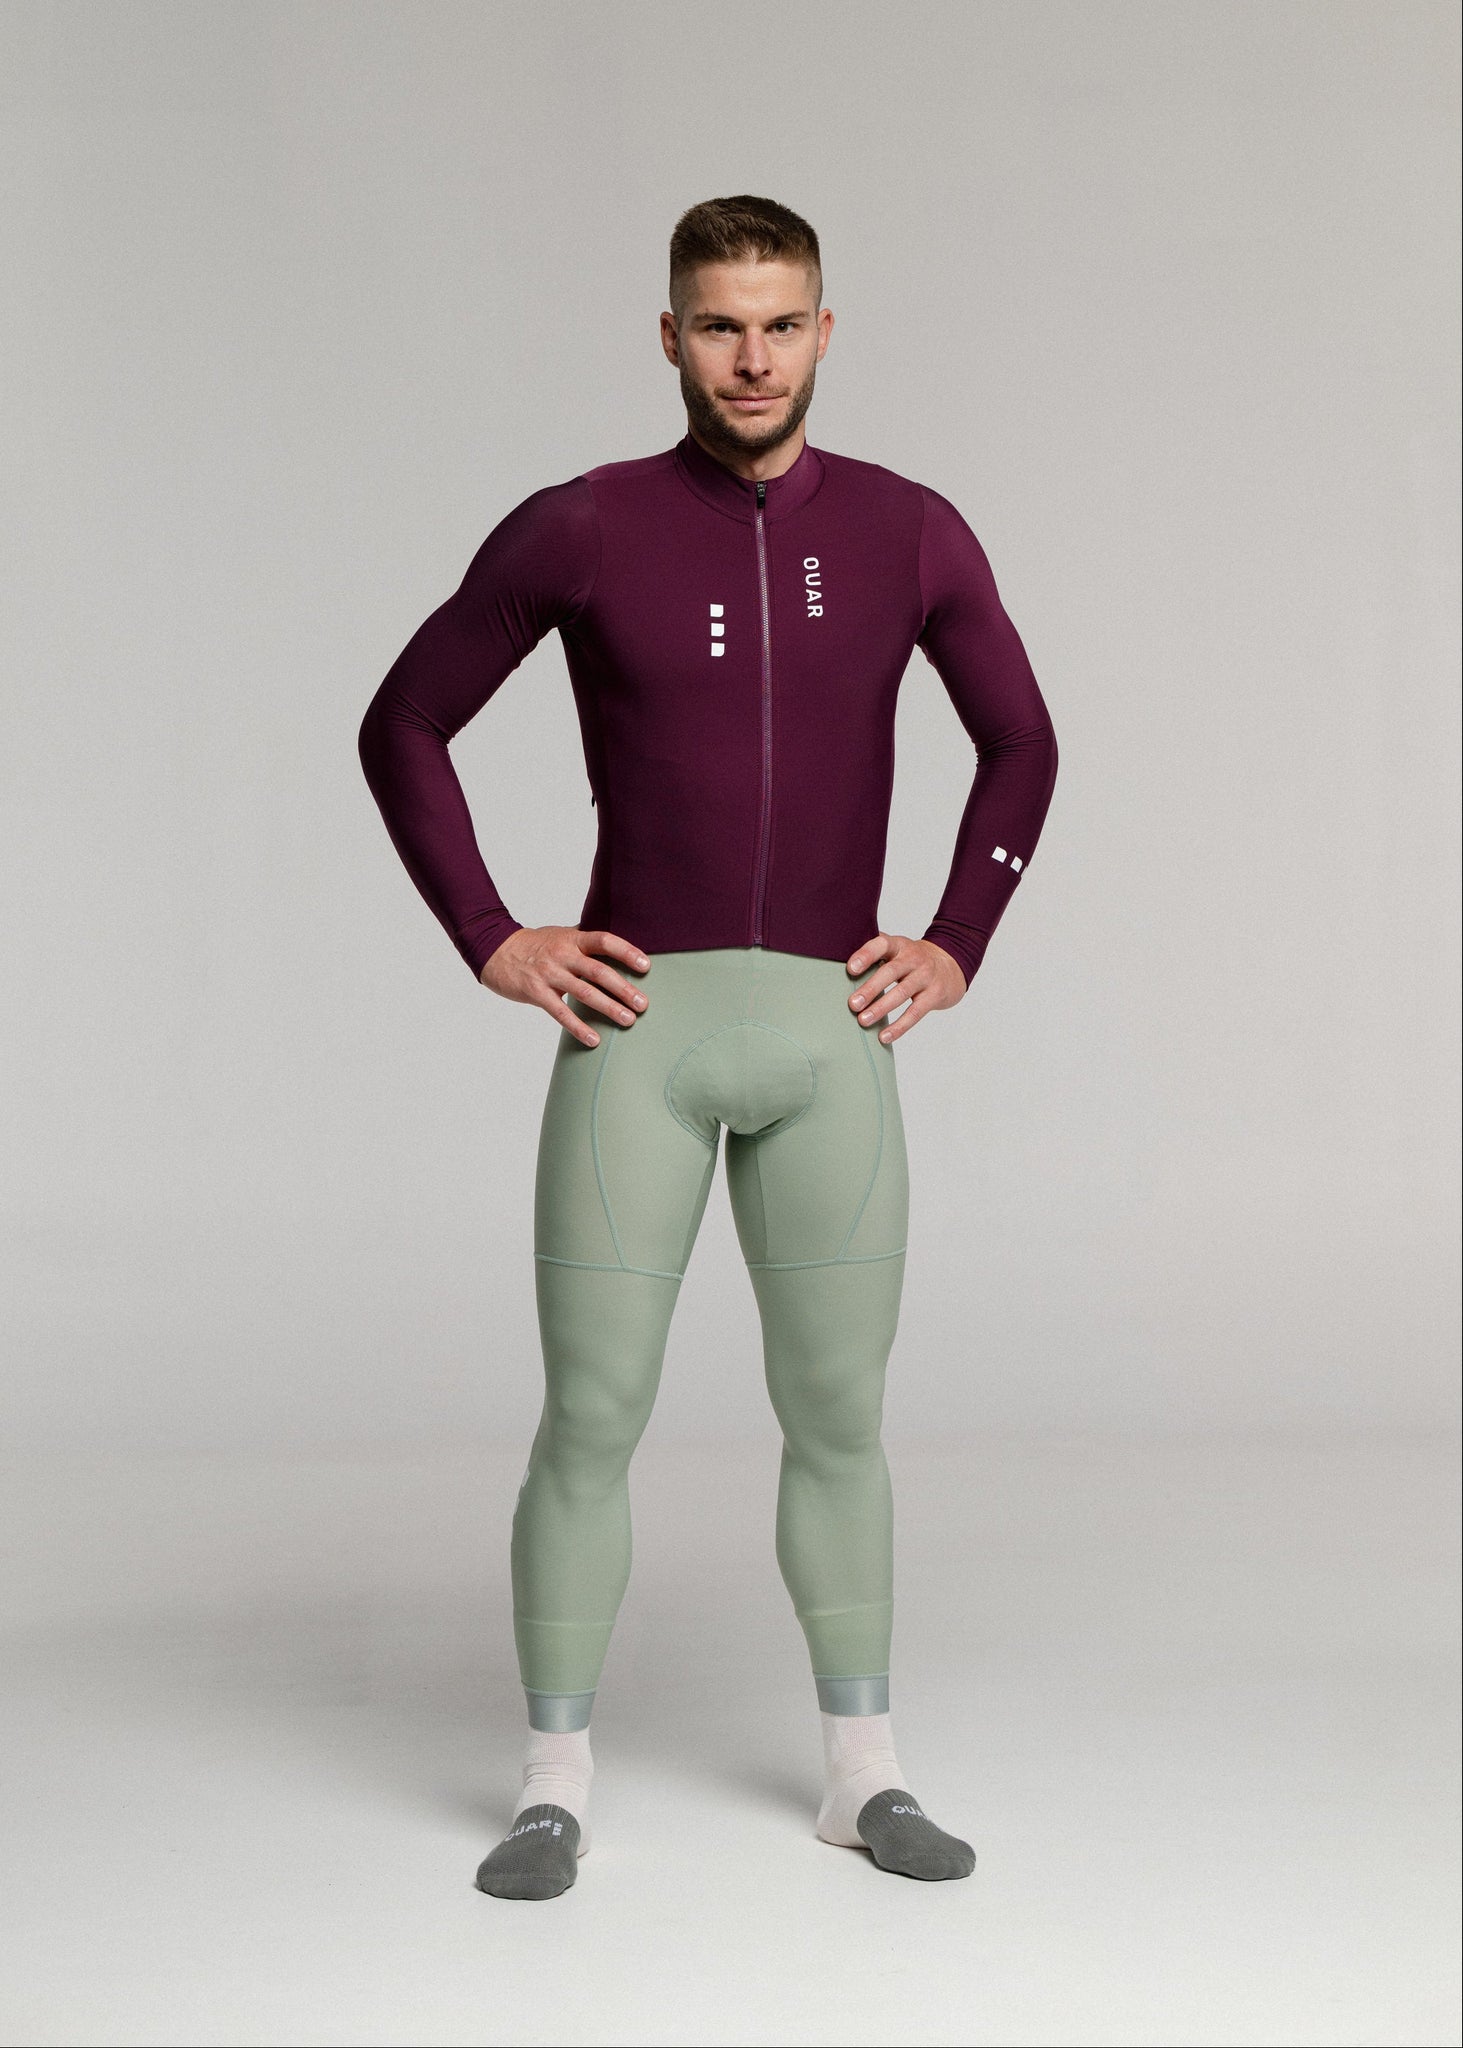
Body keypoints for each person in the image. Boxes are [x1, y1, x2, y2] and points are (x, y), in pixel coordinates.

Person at [358, 194, 1059, 1900]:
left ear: (826, 332)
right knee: (593, 1412)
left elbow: (1023, 745)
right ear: (669, 337)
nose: (754, 357)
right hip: (641, 1033)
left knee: (839, 1412)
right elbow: (405, 721)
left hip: (831, 1033)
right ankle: (552, 1785)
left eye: (782, 323)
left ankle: (864, 1778)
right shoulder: (585, 526)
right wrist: (491, 934)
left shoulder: (908, 532)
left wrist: (958, 937)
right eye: (722, 325)